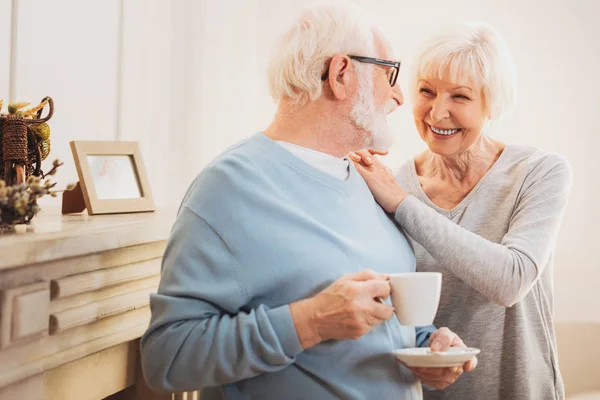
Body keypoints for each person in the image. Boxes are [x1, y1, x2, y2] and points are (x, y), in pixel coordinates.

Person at [140, 3, 476, 399]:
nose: (400, 96)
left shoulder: (368, 183)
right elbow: (168, 356)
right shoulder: (227, 188)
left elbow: (379, 325)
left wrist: (428, 343)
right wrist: (310, 321)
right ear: (341, 74)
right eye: (390, 74)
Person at [350, 21, 571, 400]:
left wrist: (403, 206)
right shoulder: (392, 184)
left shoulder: (539, 172)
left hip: (521, 391)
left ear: (491, 103)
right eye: (427, 91)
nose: (437, 113)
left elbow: (510, 280)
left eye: (460, 97)